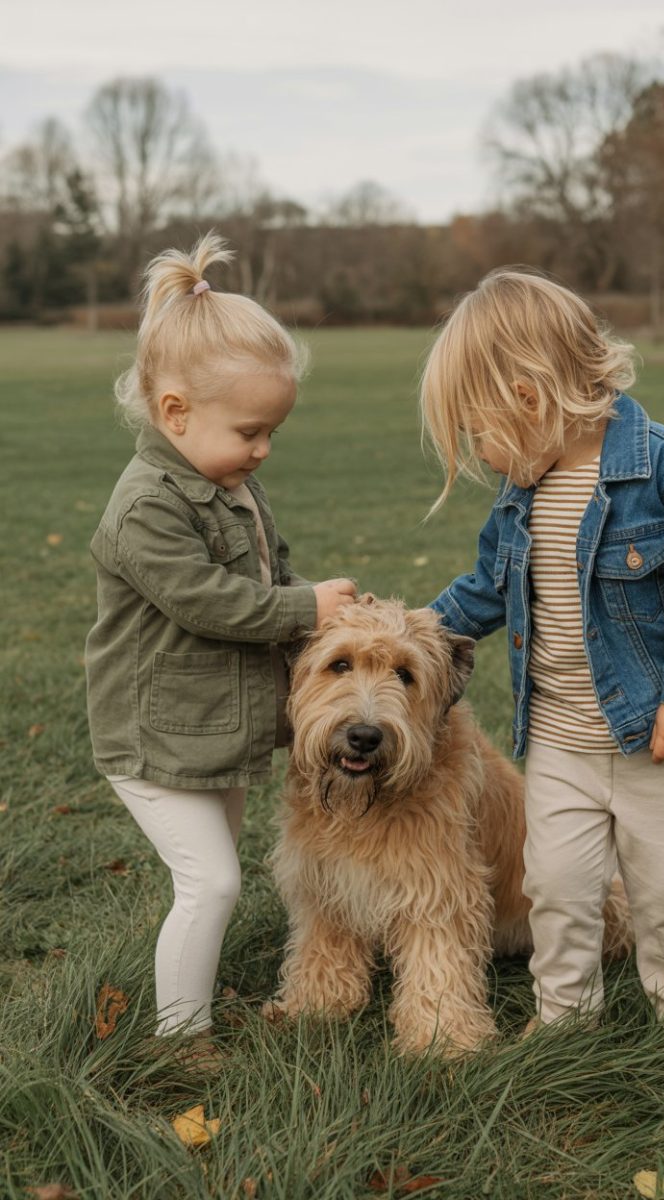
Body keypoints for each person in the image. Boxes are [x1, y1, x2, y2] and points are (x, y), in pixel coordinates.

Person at [420, 267, 664, 1057]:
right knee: (557, 888)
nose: (481, 454)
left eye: (478, 431)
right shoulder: (523, 493)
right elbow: (489, 586)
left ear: (527, 396)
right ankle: (565, 1018)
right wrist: (417, 626)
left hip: (655, 741)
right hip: (557, 742)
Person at [85, 233, 356, 1064]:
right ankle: (179, 1040)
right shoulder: (146, 508)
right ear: (175, 413)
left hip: (211, 728)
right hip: (151, 736)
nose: (263, 448)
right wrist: (302, 607)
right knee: (213, 882)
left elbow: (269, 570)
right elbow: (210, 602)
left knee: (213, 878)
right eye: (251, 429)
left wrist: (324, 609)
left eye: (272, 429)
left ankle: (191, 994)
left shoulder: (229, 483)